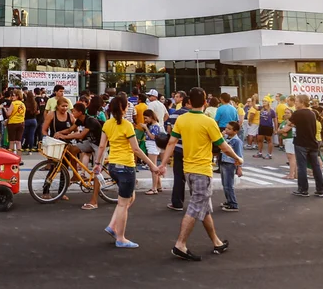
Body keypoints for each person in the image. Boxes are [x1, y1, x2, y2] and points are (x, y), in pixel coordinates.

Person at [156, 87, 242, 261]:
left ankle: (216, 242)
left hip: (188, 170)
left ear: (188, 102)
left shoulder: (181, 119)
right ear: (205, 102)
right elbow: (223, 145)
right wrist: (237, 158)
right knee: (196, 207)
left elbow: (171, 143)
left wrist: (163, 164)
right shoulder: (208, 122)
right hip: (202, 170)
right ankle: (180, 244)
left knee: (204, 208)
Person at [91, 96, 159, 247]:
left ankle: (112, 226)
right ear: (123, 108)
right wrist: (152, 166)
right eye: (127, 105)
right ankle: (120, 238)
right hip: (126, 166)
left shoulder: (107, 124)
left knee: (130, 197)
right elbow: (136, 149)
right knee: (123, 203)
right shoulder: (127, 125)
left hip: (113, 165)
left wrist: (97, 163)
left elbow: (102, 146)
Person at [289, 94, 323, 198]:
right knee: (316, 167)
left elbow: (290, 123)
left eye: (296, 101)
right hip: (313, 143)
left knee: (302, 167)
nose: (295, 103)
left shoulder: (298, 113)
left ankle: (303, 189)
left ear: (302, 102)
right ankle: (320, 190)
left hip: (301, 143)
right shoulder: (312, 113)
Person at [220, 121, 244, 211]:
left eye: (229, 129)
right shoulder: (226, 138)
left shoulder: (237, 141)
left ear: (235, 131)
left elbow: (239, 155)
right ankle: (229, 200)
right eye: (226, 128)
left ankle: (233, 204)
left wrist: (239, 168)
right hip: (223, 161)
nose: (226, 130)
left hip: (230, 163)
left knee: (229, 185)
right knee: (225, 184)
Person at [141, 110, 164, 196]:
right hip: (151, 146)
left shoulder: (155, 126)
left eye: (146, 118)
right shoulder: (153, 125)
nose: (145, 120)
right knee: (154, 166)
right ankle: (158, 186)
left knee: (153, 167)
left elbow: (152, 137)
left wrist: (146, 128)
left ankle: (154, 188)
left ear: (151, 117)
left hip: (152, 146)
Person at [5, 89, 26, 158]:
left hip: (13, 123)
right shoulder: (23, 104)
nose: (12, 97)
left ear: (17, 96)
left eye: (13, 95)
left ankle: (11, 157)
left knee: (12, 141)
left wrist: (5, 109)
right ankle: (19, 157)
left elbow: (8, 114)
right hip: (21, 122)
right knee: (18, 141)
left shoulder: (13, 103)